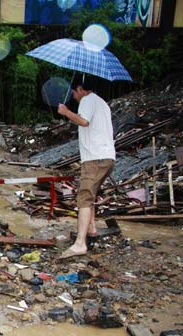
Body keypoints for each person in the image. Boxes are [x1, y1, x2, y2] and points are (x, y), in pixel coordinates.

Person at [57, 77, 115, 259]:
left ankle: (80, 243)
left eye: (74, 92)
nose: (74, 97)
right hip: (107, 157)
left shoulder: (87, 100)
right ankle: (91, 228)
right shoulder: (102, 103)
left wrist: (66, 112)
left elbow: (84, 122)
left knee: (84, 197)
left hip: (94, 158)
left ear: (80, 89)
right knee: (92, 194)